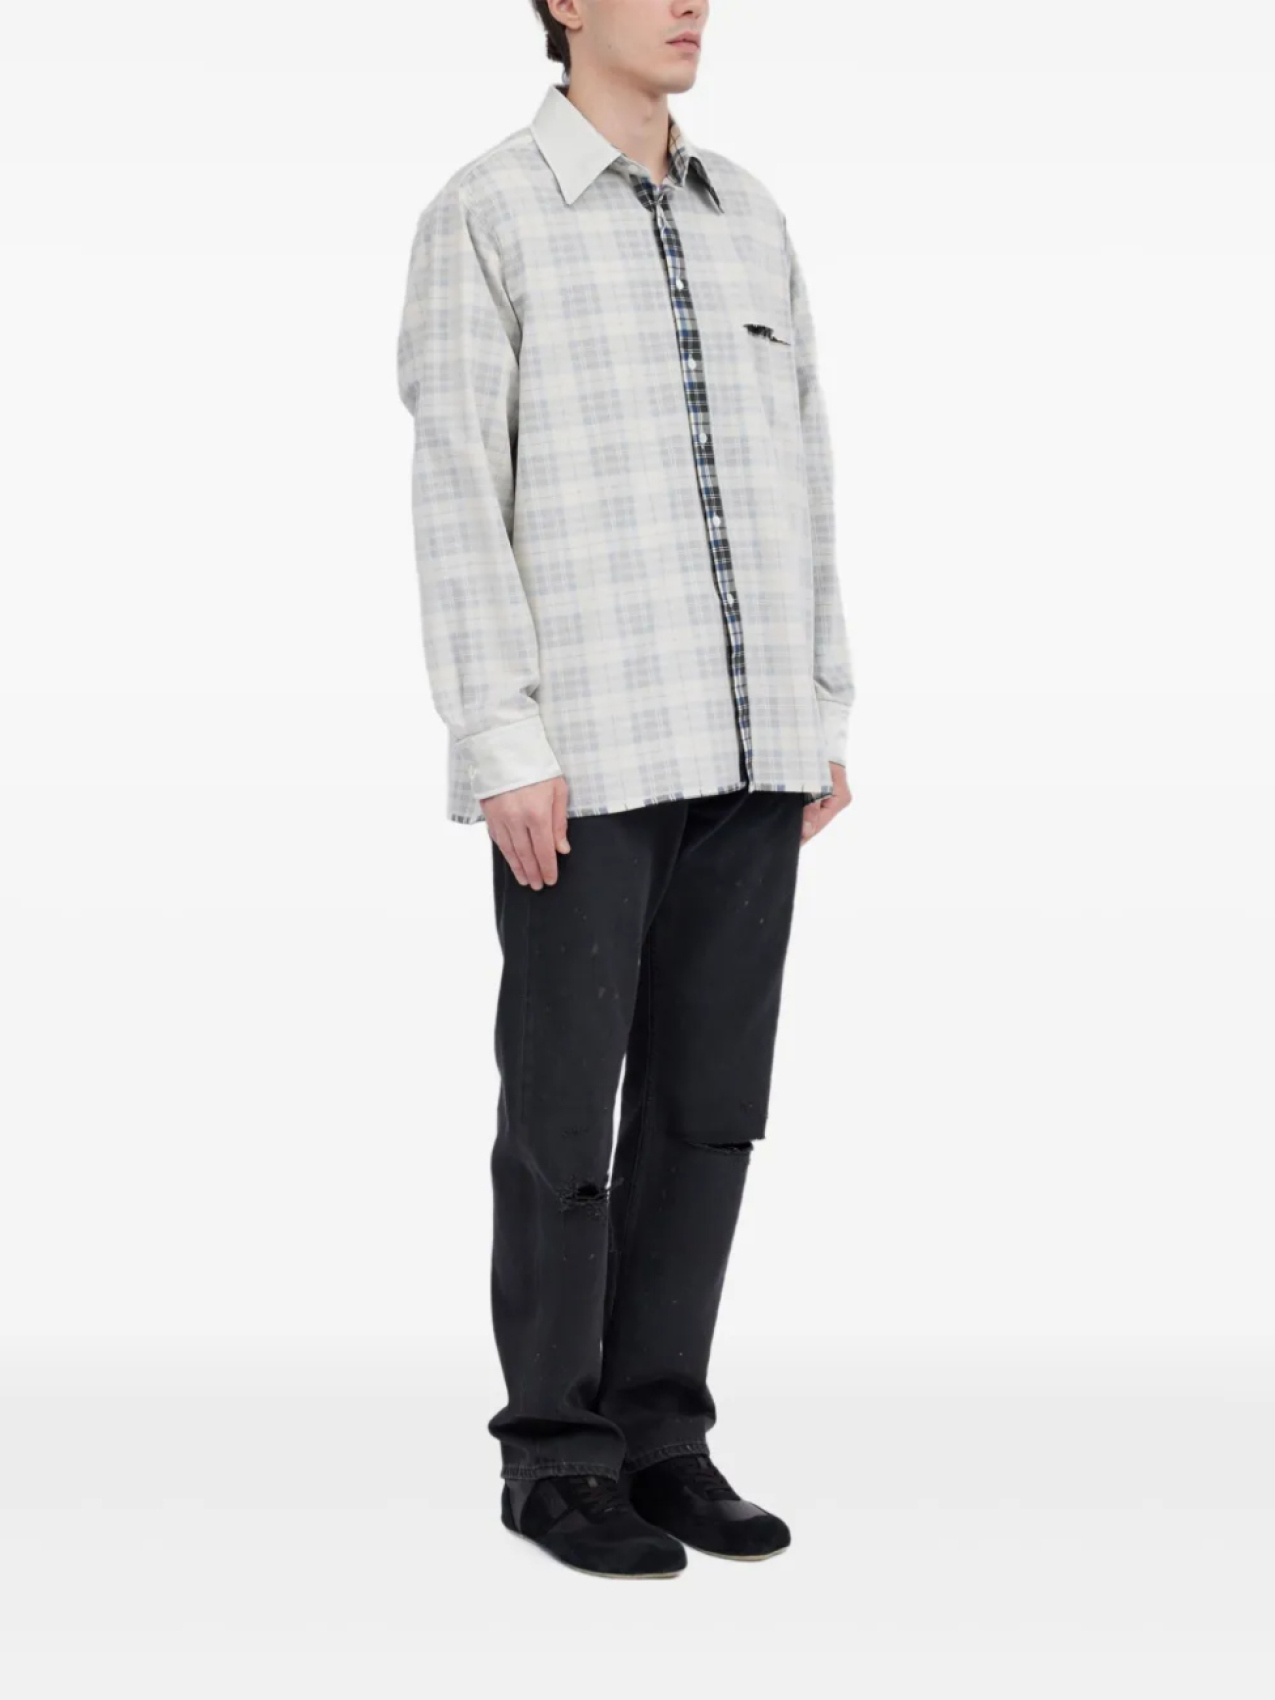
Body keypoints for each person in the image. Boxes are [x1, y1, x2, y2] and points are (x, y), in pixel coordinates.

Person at [395, 0, 854, 1580]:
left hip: (752, 741)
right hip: (584, 754)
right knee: (563, 1115)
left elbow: (805, 463)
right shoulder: (486, 214)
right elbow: (458, 484)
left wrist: (819, 699)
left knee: (710, 1112)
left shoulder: (752, 217)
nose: (689, 4)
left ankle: (662, 1436)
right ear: (562, 2)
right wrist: (500, 740)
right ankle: (553, 1455)